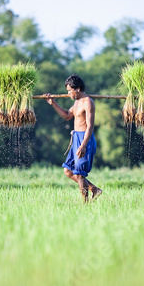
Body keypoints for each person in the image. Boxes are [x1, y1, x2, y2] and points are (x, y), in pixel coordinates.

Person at [44, 74, 102, 202]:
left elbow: (90, 126)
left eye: (70, 90)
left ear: (78, 89)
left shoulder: (88, 102)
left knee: (79, 174)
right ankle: (95, 190)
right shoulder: (76, 103)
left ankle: (85, 203)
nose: (69, 93)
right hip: (76, 138)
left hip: (85, 139)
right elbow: (67, 116)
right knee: (68, 171)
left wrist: (83, 145)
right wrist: (53, 103)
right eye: (68, 91)